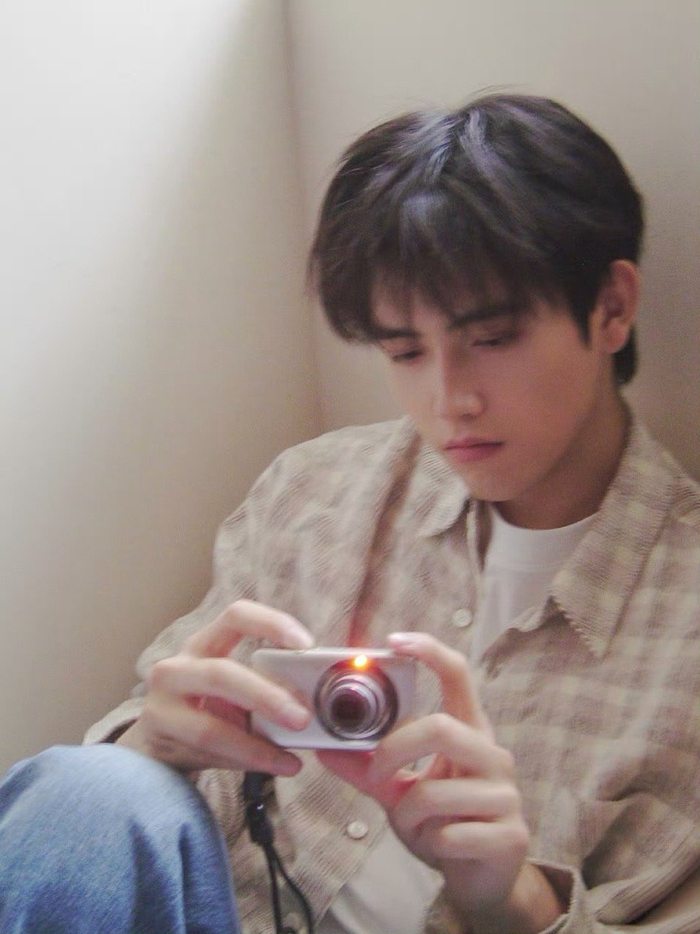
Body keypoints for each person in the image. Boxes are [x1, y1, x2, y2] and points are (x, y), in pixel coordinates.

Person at [1, 92, 698, 934]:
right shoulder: (316, 491)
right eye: (404, 351)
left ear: (612, 308)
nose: (449, 399)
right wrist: (152, 740)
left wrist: (507, 896)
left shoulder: (684, 625)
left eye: (493, 339)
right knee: (83, 791)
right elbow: (121, 801)